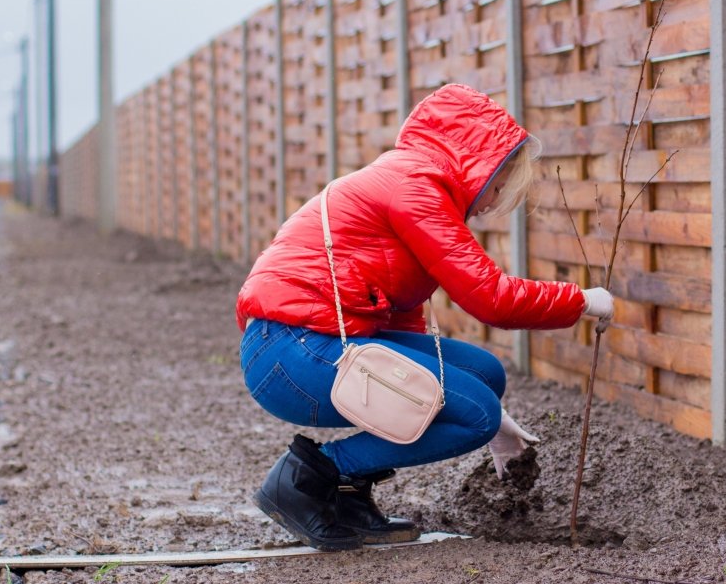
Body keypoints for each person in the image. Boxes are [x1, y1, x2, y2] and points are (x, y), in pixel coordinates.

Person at [236, 83, 615, 551]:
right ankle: (311, 480)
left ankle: (351, 495)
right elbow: (490, 298)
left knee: (483, 374)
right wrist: (581, 300)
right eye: (499, 183)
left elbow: (401, 326)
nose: (495, 200)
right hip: (290, 350)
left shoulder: (412, 181)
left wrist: (496, 423)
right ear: (478, 162)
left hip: (305, 342)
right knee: (476, 414)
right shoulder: (415, 187)